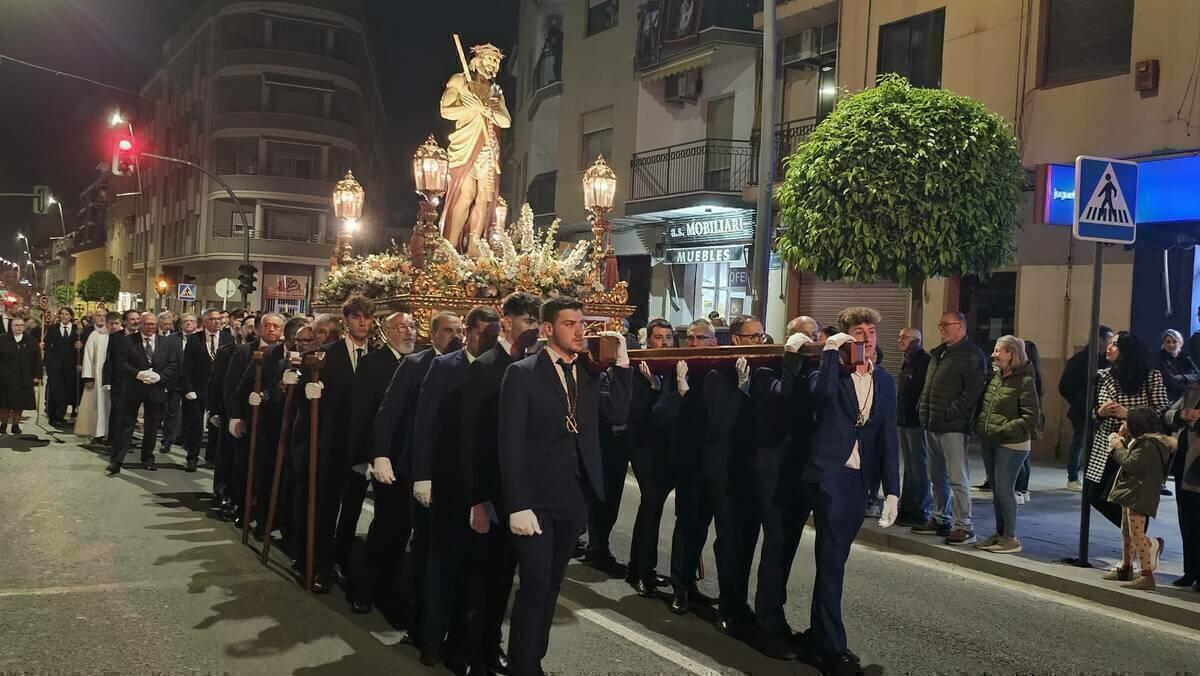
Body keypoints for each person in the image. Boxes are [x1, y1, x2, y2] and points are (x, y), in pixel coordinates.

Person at [499, 297, 631, 676]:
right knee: (535, 584)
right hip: (534, 500)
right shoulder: (522, 373)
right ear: (547, 330)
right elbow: (509, 442)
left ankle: (533, 662)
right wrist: (517, 504)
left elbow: (618, 415)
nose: (580, 330)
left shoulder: (589, 374)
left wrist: (621, 363)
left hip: (573, 497)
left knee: (553, 585)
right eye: (570, 323)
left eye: (582, 323)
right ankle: (522, 667)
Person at [791, 307, 899, 675]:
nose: (866, 337)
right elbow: (819, 397)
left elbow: (888, 437)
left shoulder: (885, 381)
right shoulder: (830, 374)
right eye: (858, 331)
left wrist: (893, 491)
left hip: (860, 481)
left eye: (870, 331)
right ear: (845, 337)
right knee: (833, 559)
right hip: (829, 476)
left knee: (834, 560)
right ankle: (832, 649)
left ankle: (818, 637)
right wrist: (828, 354)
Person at [355, 311, 463, 635]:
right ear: (434, 334)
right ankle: (365, 590)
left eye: (459, 329)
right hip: (403, 466)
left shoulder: (467, 365)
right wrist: (380, 455)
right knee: (389, 532)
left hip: (441, 470)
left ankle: (410, 606)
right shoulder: (416, 364)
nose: (455, 335)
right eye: (448, 330)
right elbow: (388, 413)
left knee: (427, 546)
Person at [411, 305, 502, 668]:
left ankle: (470, 641)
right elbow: (426, 422)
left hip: (484, 486)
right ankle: (430, 638)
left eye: (494, 334)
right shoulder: (444, 367)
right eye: (483, 333)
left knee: (479, 574)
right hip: (448, 483)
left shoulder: (501, 367)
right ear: (468, 332)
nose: (488, 340)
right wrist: (422, 475)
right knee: (442, 566)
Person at [458, 293, 540, 675]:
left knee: (508, 577)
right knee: (486, 579)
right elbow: (473, 440)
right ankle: (477, 653)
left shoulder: (533, 367)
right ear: (506, 322)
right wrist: (478, 499)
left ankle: (493, 646)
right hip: (492, 493)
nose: (534, 328)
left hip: (523, 492)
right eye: (527, 320)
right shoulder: (487, 366)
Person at [748, 317, 817, 659]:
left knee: (788, 545)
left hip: (802, 471)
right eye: (802, 337)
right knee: (775, 545)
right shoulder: (767, 369)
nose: (810, 341)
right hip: (773, 470)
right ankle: (767, 626)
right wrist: (791, 359)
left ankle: (777, 617)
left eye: (815, 336)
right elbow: (782, 396)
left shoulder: (817, 370)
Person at [340, 311, 417, 614]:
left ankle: (391, 586)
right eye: (401, 327)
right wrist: (364, 456)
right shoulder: (374, 364)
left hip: (410, 457)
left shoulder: (422, 361)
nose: (408, 332)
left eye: (412, 326)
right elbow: (363, 412)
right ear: (386, 332)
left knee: (404, 531)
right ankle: (364, 589)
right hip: (384, 458)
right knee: (385, 526)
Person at [297, 296, 374, 593]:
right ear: (346, 321)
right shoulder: (327, 355)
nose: (363, 322)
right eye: (357, 317)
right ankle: (321, 565)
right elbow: (306, 394)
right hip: (331, 445)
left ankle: (342, 560)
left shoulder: (375, 355)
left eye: (367, 317)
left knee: (352, 510)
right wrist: (309, 390)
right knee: (327, 509)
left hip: (360, 449)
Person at [914, 311, 987, 545]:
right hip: (932, 422)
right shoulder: (939, 354)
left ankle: (964, 525)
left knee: (957, 477)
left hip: (953, 426)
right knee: (936, 476)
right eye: (940, 324)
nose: (942, 328)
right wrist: (922, 408)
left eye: (946, 324)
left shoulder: (971, 355)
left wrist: (951, 412)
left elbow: (973, 391)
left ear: (961, 326)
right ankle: (940, 518)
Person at [666, 320, 721, 616]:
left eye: (701, 337)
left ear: (713, 341)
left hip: (716, 464)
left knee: (702, 527)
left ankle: (689, 581)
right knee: (686, 527)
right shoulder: (678, 370)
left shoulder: (718, 370)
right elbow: (665, 414)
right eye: (690, 337)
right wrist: (681, 392)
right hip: (689, 463)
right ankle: (679, 587)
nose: (695, 342)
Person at [1088, 332, 1169, 529]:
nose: (1109, 347)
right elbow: (1092, 413)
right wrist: (1099, 412)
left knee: (1134, 501)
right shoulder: (1104, 375)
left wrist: (1129, 414)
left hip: (1138, 447)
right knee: (1094, 495)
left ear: (1127, 351)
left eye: (1115, 344)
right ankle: (1140, 542)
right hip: (1107, 445)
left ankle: (1139, 546)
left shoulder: (1151, 376)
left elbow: (1163, 412)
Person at [439, 43, 511, 255]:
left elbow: (505, 120)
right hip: (466, 143)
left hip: (488, 146)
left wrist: (488, 111)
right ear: (478, 59)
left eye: (496, 62)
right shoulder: (460, 81)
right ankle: (450, 244)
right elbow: (446, 110)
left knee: (484, 197)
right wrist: (472, 106)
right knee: (466, 192)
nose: (493, 65)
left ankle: (474, 245)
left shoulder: (495, 91)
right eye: (490, 59)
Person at [974, 335, 1040, 555]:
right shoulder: (996, 377)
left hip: (1012, 445)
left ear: (1011, 353)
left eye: (998, 350)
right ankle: (1001, 534)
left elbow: (1031, 418)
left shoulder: (1025, 381)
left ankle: (1010, 538)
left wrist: (1002, 429)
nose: (993, 354)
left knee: (1004, 489)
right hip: (991, 440)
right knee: (997, 491)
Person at [626, 318, 677, 598]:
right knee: (651, 503)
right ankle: (643, 571)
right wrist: (653, 387)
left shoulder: (675, 369)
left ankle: (639, 566)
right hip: (645, 447)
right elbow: (643, 416)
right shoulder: (640, 371)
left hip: (669, 449)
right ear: (649, 341)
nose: (664, 343)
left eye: (668, 338)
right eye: (659, 338)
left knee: (653, 508)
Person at [1104, 407, 1174, 590]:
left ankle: (1146, 575)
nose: (1124, 423)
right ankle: (1126, 568)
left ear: (1136, 425)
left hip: (1140, 495)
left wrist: (1116, 448)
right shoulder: (1142, 442)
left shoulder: (1149, 445)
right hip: (1132, 492)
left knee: (1137, 535)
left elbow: (1132, 464)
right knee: (1126, 532)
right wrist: (1120, 438)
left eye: (1127, 421)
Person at [106, 312, 182, 475]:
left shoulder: (166, 343)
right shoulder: (127, 341)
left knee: (152, 426)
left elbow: (173, 364)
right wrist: (137, 374)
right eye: (147, 324)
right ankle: (117, 460)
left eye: (153, 324)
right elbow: (120, 363)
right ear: (140, 324)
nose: (150, 327)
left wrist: (160, 376)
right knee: (125, 425)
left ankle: (147, 457)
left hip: (156, 389)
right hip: (133, 388)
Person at [1059, 325, 1114, 492]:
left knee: (1101, 443)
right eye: (1109, 340)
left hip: (1102, 411)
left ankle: (1096, 478)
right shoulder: (1080, 360)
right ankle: (1073, 477)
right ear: (1100, 340)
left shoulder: (1107, 361)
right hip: (1083, 410)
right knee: (1079, 442)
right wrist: (1079, 402)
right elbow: (1065, 386)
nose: (1111, 344)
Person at [1161, 377, 1200, 591]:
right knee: (1187, 519)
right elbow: (1166, 415)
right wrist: (1183, 415)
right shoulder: (1192, 389)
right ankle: (1190, 571)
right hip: (1185, 465)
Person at [188, 309, 234, 471]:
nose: (217, 322)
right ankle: (192, 457)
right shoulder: (194, 339)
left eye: (219, 319)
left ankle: (212, 457)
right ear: (205, 321)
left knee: (216, 424)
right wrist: (189, 388)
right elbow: (187, 366)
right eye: (212, 319)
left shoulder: (229, 339)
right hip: (199, 388)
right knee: (196, 425)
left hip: (218, 389)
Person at [896, 327, 932, 527]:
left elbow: (922, 391)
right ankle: (907, 506)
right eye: (900, 337)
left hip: (916, 422)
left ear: (916, 340)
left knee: (918, 467)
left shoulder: (923, 361)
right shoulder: (908, 360)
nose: (900, 340)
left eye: (904, 337)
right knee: (909, 467)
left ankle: (920, 509)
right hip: (904, 420)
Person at [75, 311, 122, 443]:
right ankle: (99, 432)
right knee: (100, 405)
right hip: (99, 377)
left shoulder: (123, 337)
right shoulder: (96, 336)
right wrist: (88, 377)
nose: (113, 326)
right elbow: (88, 357)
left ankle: (115, 434)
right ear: (107, 323)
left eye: (116, 323)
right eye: (110, 323)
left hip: (118, 378)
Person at [0, 317, 42, 435]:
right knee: (4, 404)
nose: (19, 327)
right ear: (11, 327)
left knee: (19, 403)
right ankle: (3, 424)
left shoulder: (31, 341)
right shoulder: (2, 339)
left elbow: (37, 359)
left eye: (21, 325)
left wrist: (37, 375)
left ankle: (15, 425)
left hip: (24, 377)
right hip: (5, 378)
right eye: (16, 325)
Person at [44, 307, 81, 427]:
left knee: (66, 391)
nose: (64, 316)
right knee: (55, 390)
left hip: (70, 366)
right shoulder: (53, 329)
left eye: (67, 314)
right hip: (55, 366)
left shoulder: (77, 330)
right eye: (62, 314)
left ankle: (61, 415)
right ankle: (52, 415)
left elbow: (82, 347)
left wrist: (80, 346)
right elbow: (47, 345)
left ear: (71, 316)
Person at [158, 311, 187, 456]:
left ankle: (185, 439)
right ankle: (167, 441)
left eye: (192, 322)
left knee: (190, 413)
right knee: (172, 411)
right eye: (185, 322)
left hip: (191, 382)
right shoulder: (172, 339)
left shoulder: (198, 339)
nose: (188, 324)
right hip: (174, 381)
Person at [1158, 329, 1198, 404]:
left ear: (1180, 343)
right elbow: (1171, 380)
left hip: (1188, 394)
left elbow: (1198, 375)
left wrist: (1183, 377)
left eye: (1174, 342)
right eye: (1168, 342)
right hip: (1169, 395)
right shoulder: (1160, 358)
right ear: (1163, 343)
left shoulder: (1185, 357)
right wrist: (1188, 381)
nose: (1171, 345)